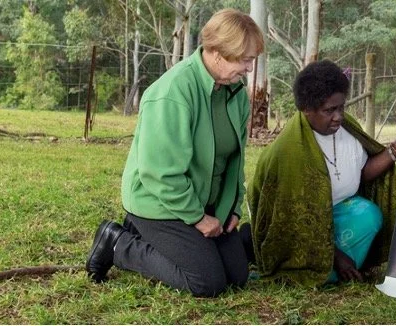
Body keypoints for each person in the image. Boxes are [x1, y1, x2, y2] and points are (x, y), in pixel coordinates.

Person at [85, 9, 263, 297]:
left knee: (237, 276)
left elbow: (235, 160)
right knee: (207, 282)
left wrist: (232, 207)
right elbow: (160, 174)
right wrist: (197, 218)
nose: (249, 69)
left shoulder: (237, 95)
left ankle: (162, 238)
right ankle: (119, 242)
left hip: (203, 200)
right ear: (218, 53)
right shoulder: (172, 92)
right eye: (245, 60)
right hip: (159, 202)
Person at [248, 60, 396, 285]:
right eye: (329, 110)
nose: (338, 116)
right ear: (307, 110)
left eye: (341, 108)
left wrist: (394, 150)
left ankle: (332, 269)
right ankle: (327, 269)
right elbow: (292, 221)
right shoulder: (288, 151)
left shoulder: (347, 128)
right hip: (297, 231)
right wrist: (336, 257)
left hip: (336, 217)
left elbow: (361, 174)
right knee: (309, 273)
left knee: (368, 213)